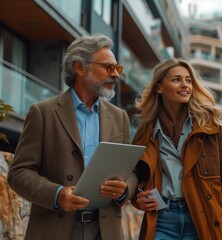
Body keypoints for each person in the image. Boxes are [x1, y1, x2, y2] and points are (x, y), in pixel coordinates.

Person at [7, 34, 138, 240]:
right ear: (80, 68)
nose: (116, 75)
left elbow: (131, 172)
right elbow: (19, 173)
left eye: (117, 68)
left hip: (105, 230)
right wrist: (57, 194)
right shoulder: (43, 112)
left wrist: (124, 190)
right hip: (55, 228)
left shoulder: (119, 117)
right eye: (108, 67)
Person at [132, 58, 222, 240]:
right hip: (162, 221)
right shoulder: (146, 132)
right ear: (159, 87)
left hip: (202, 221)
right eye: (176, 79)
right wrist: (138, 198)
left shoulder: (210, 127)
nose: (185, 85)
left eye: (188, 80)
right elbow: (135, 177)